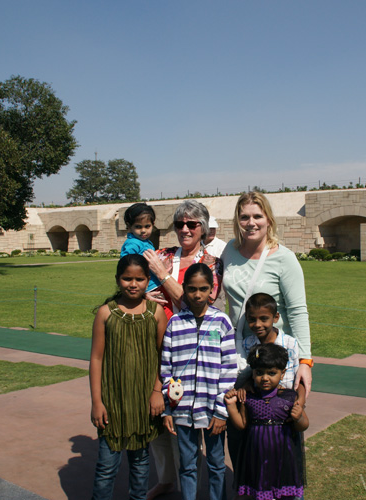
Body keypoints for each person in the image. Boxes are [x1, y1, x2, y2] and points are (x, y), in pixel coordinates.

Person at [143, 200, 224, 499]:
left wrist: (163, 278)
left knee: (187, 420)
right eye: (180, 224)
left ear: (203, 228)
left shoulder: (211, 263)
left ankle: (188, 481)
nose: (185, 229)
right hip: (154, 345)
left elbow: (199, 304)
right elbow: (134, 283)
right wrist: (146, 295)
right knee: (158, 419)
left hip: (189, 352)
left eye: (192, 224)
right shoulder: (162, 255)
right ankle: (166, 478)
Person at [89, 254, 167, 500]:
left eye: (140, 279)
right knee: (106, 469)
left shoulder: (156, 313)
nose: (133, 284)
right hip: (112, 403)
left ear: (148, 281)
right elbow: (96, 359)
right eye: (127, 278)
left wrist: (157, 392)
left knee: (140, 466)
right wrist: (97, 402)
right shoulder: (105, 313)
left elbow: (163, 356)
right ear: (117, 279)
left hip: (143, 403)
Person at [221, 192, 313, 392]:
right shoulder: (229, 250)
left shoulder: (284, 258)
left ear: (269, 221)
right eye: (244, 217)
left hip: (272, 356)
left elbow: (298, 311)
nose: (250, 223)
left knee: (272, 417)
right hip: (238, 350)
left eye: (257, 217)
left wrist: (305, 361)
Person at [160, 263, 237, 500]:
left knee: (215, 463)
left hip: (213, 408)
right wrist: (167, 408)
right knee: (188, 463)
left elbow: (229, 370)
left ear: (212, 289)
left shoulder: (222, 322)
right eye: (192, 289)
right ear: (184, 289)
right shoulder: (175, 323)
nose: (197, 294)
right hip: (182, 409)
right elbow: (166, 368)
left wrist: (222, 412)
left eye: (203, 288)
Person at [225, 343, 309, 500]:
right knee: (259, 489)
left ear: (282, 374)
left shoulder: (289, 397)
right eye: (259, 373)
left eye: (271, 373)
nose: (264, 378)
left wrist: (299, 418)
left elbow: (303, 426)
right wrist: (231, 406)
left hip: (282, 454)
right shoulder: (248, 398)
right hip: (256, 454)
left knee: (282, 490)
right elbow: (242, 424)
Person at [121, 202, 161, 292]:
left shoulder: (144, 242)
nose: (143, 231)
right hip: (144, 288)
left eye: (147, 226)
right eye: (138, 227)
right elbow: (125, 265)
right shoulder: (133, 243)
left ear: (153, 224)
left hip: (151, 284)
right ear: (129, 226)